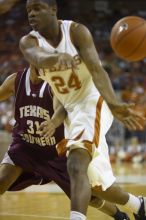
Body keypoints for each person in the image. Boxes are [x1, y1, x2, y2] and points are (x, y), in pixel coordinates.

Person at [20, 0, 146, 219]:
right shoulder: (29, 42)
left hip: (93, 100)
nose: (32, 14)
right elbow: (41, 62)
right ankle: (140, 206)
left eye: (38, 8)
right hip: (72, 112)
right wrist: (55, 120)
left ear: (53, 9)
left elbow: (97, 70)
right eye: (29, 10)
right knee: (95, 187)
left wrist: (113, 103)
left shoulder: (77, 32)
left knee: (76, 161)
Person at [0, 65, 130, 220]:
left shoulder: (56, 83)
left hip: (56, 152)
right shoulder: (15, 80)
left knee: (89, 197)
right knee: (2, 180)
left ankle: (119, 215)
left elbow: (61, 107)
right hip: (25, 146)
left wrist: (53, 122)